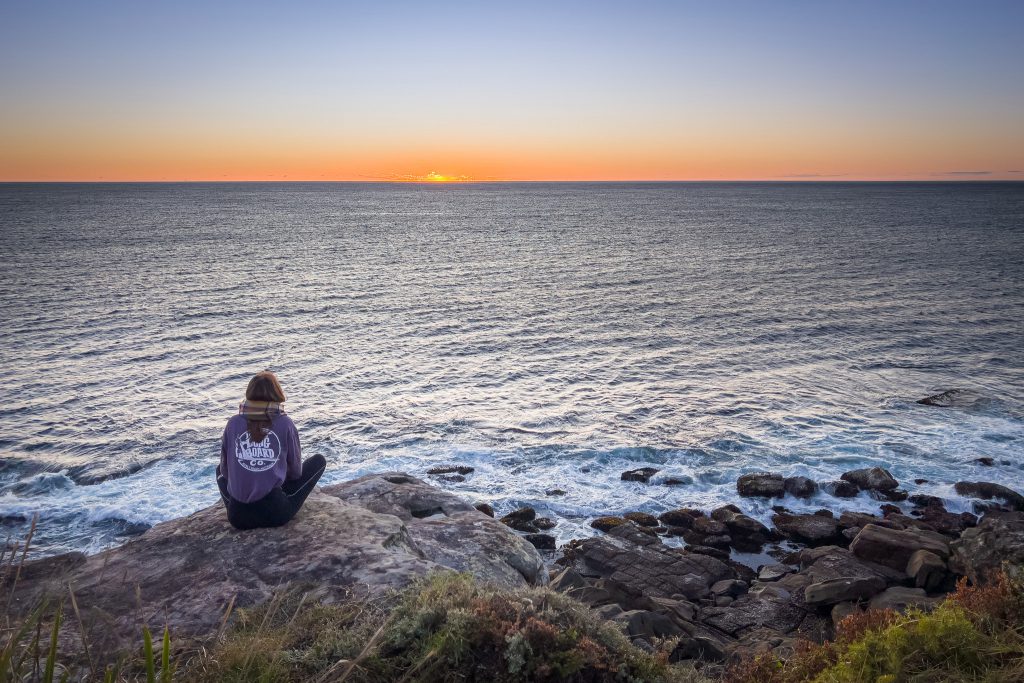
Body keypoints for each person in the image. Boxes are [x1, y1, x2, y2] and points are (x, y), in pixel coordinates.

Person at [217, 371, 326, 530]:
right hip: (275, 514)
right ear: (277, 393)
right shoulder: (285, 423)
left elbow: (225, 473)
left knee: (218, 470)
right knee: (319, 461)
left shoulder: (233, 423)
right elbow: (295, 472)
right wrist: (271, 475)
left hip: (237, 517)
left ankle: (238, 506)